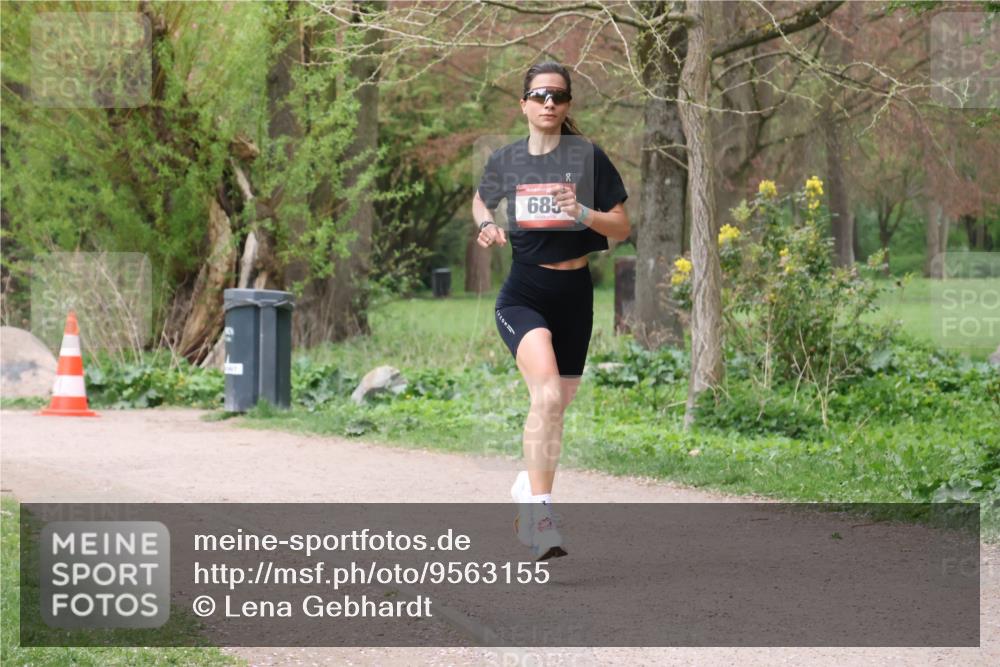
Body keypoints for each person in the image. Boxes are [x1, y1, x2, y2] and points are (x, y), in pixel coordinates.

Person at [472, 62, 630, 560]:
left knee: (556, 405)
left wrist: (581, 212)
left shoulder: (588, 158)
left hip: (575, 296)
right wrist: (486, 226)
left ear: (567, 105)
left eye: (558, 96)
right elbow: (480, 202)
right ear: (523, 104)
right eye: (539, 95)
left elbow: (622, 226)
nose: (548, 103)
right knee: (545, 395)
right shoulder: (506, 160)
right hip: (524, 294)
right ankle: (541, 517)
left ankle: (528, 487)